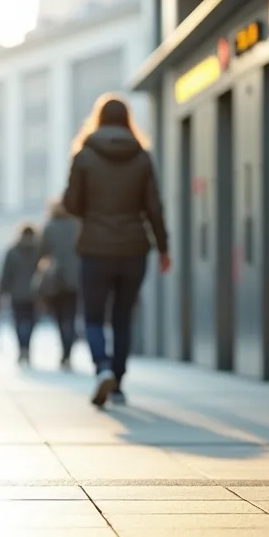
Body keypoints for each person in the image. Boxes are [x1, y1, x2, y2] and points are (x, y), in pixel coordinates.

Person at [63, 93, 170, 408]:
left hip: (95, 248)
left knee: (94, 316)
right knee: (122, 317)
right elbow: (154, 207)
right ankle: (119, 384)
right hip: (134, 249)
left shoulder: (84, 155)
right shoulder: (142, 157)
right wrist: (164, 248)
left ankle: (102, 367)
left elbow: (72, 204)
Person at [38, 199, 82, 371]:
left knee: (59, 317)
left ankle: (64, 350)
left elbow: (42, 253)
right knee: (70, 315)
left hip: (55, 279)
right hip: (75, 278)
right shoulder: (77, 225)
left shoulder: (49, 227)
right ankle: (68, 353)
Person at [0, 224, 42, 366]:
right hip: (32, 294)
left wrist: (3, 291)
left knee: (20, 323)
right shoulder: (38, 251)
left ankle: (23, 348)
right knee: (29, 323)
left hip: (19, 294)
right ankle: (25, 348)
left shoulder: (13, 252)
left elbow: (6, 274)